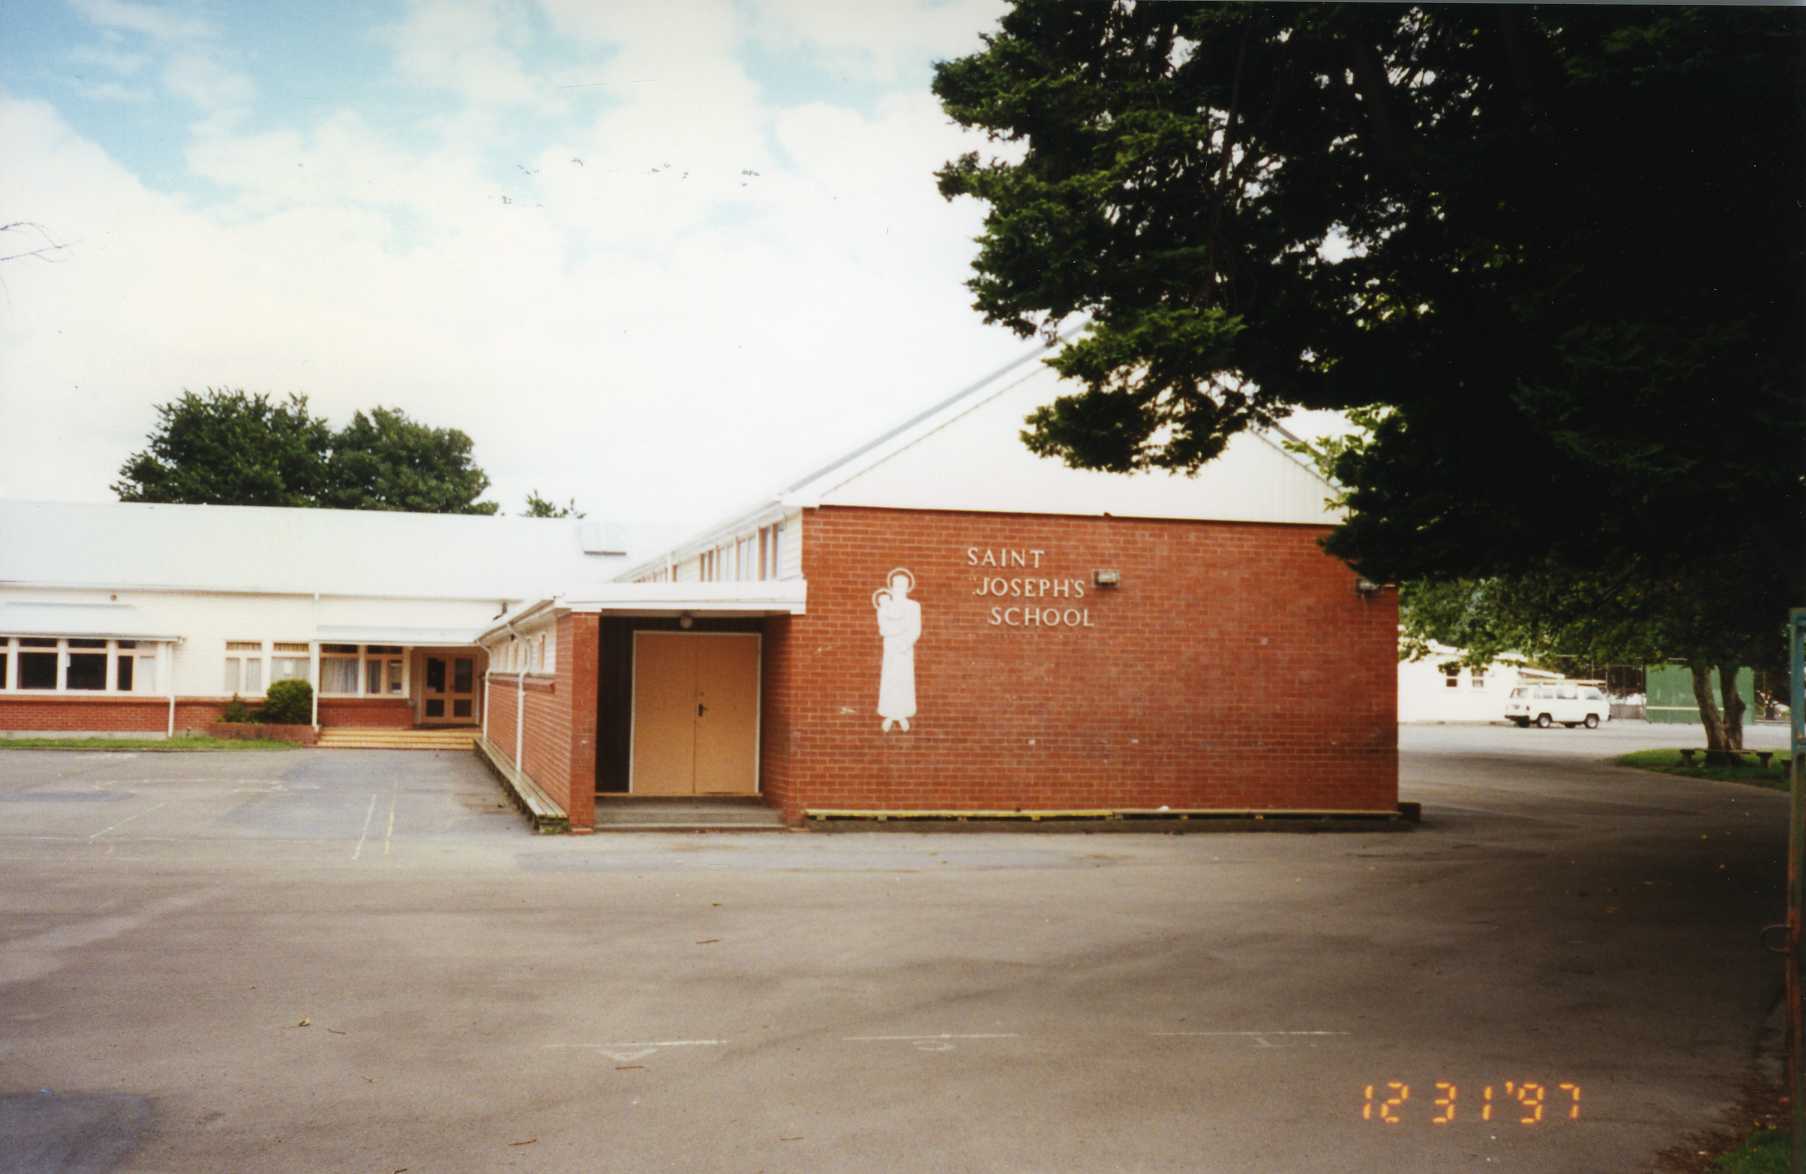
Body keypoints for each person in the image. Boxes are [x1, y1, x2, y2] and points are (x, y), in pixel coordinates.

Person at [874, 568, 921, 732]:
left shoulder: (914, 606)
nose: (899, 588)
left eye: (903, 585)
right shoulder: (885, 606)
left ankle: (903, 714)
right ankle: (889, 713)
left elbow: (916, 629)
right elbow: (883, 628)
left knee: (904, 681)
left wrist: (905, 643)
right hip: (891, 649)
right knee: (890, 681)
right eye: (896, 585)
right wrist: (897, 630)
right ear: (892, 586)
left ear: (907, 587)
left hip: (904, 650)